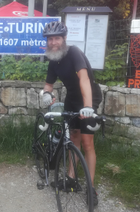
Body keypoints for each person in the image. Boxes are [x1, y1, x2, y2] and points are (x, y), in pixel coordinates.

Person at [41, 21, 102, 206]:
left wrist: (88, 107)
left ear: (64, 38)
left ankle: (91, 189)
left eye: (57, 38)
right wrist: (47, 94)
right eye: (50, 39)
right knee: (73, 138)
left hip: (89, 97)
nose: (53, 42)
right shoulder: (53, 59)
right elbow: (49, 84)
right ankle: (71, 178)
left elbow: (84, 79)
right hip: (72, 99)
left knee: (87, 142)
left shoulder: (73, 52)